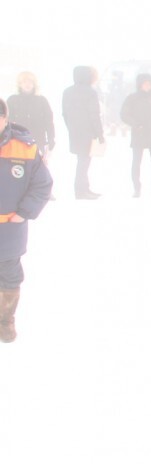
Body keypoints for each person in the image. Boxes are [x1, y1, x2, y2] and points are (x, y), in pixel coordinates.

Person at [0, 98, 53, 342]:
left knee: (9, 273)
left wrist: (24, 212)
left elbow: (42, 184)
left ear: (5, 119)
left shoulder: (25, 147)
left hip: (9, 227)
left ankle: (5, 320)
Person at [121, 73, 151, 197]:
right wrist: (135, 124)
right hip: (139, 134)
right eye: (145, 83)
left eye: (150, 83)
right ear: (139, 84)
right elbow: (124, 114)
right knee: (136, 163)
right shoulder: (132, 98)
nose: (148, 86)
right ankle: (137, 189)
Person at [61, 65, 104, 199]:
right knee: (84, 162)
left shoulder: (67, 91)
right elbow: (94, 115)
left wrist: (71, 128)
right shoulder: (90, 92)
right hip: (88, 132)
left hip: (74, 131)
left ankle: (83, 189)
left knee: (82, 161)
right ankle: (81, 191)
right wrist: (100, 133)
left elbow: (65, 114)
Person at [7, 72, 56, 167]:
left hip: (37, 140)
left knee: (37, 169)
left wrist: (51, 138)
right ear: (20, 84)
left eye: (30, 82)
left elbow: (49, 122)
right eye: (24, 82)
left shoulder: (42, 101)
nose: (27, 84)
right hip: (17, 141)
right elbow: (6, 121)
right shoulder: (12, 100)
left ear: (34, 84)